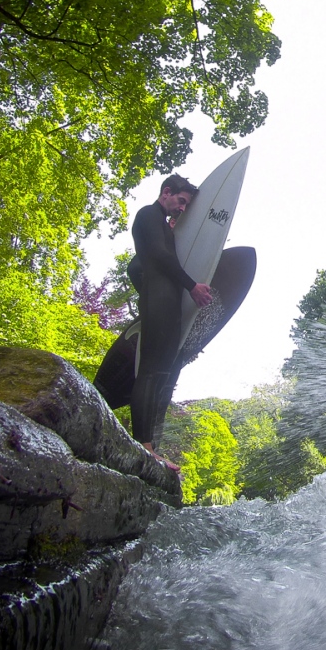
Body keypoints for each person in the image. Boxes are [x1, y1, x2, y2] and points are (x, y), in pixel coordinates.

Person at [128, 174, 214, 468]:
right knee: (150, 373)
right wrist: (191, 286)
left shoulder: (163, 225)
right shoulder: (148, 214)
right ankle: (142, 444)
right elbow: (159, 258)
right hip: (159, 301)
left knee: (161, 375)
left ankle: (151, 445)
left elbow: (145, 263)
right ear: (166, 193)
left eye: (185, 205)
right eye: (180, 201)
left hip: (168, 304)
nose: (181, 208)